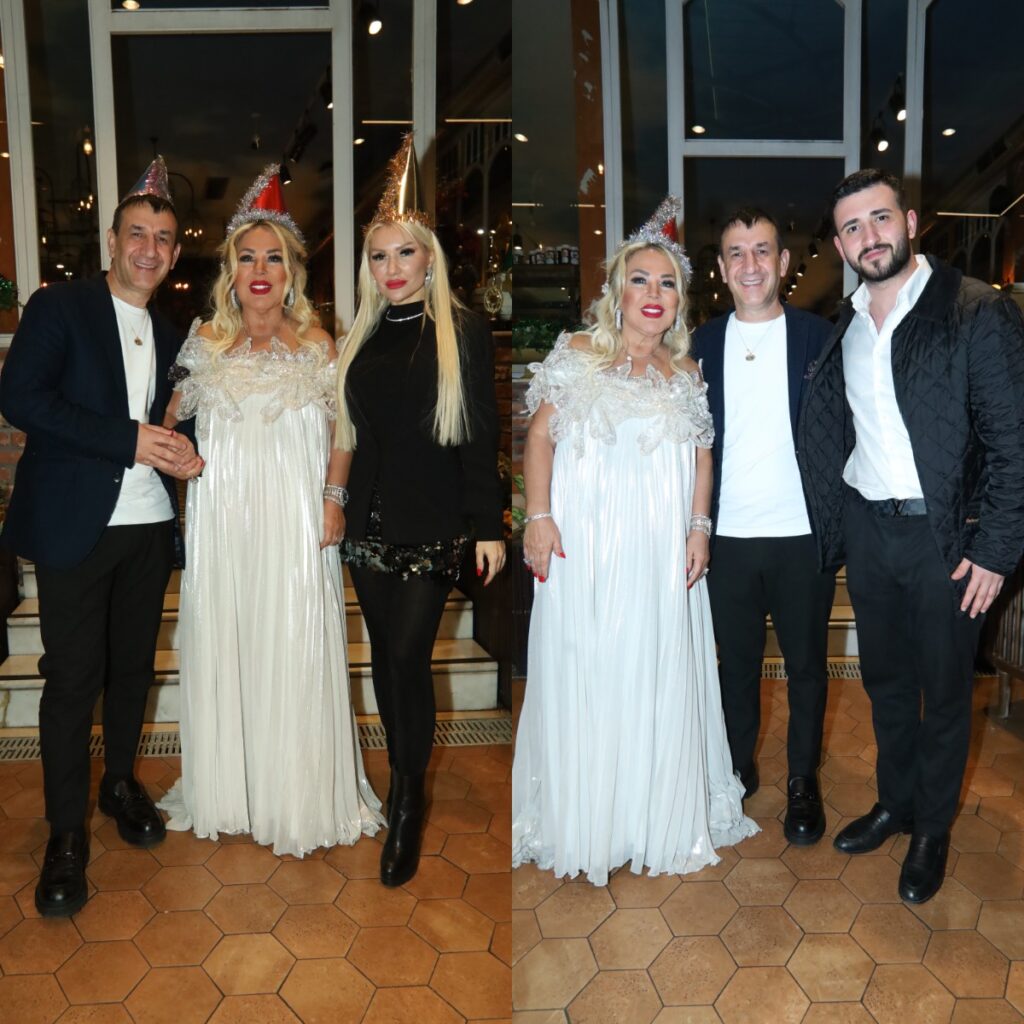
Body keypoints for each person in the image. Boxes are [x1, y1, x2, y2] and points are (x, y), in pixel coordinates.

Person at [512, 198, 758, 886]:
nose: (654, 293)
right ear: (617, 292)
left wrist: (699, 528)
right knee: (589, 665)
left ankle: (652, 815)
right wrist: (538, 516)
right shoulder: (578, 355)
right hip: (585, 547)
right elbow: (539, 437)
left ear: (680, 300)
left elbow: (703, 456)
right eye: (640, 280)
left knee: (656, 666)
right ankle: (590, 816)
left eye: (667, 282)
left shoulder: (687, 373)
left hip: (658, 552)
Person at [799, 168, 1024, 903]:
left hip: (945, 539)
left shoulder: (974, 310)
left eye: (880, 218)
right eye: (853, 227)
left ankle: (931, 827)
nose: (869, 236)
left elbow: (1014, 443)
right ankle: (895, 803)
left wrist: (994, 551)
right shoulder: (847, 324)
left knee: (945, 690)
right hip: (871, 530)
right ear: (840, 246)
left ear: (910, 221)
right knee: (886, 682)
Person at [158, 166, 383, 856]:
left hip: (295, 520)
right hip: (225, 523)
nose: (260, 270)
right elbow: (169, 424)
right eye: (247, 257)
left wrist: (333, 500)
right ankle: (233, 789)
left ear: (292, 273)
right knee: (228, 640)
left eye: (273, 258)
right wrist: (178, 457)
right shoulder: (204, 340)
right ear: (231, 272)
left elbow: (343, 432)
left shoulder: (319, 344)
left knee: (293, 641)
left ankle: (296, 792)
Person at [0, 158, 203, 916]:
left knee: (132, 672)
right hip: (75, 526)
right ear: (111, 241)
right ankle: (65, 835)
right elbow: (21, 398)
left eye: (163, 238)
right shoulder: (60, 307)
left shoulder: (176, 333)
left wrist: (185, 453)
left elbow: (175, 425)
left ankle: (119, 784)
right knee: (71, 681)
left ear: (175, 254)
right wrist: (130, 440)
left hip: (149, 529)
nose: (149, 248)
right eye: (137, 234)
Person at [335, 136, 505, 886]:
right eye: (380, 257)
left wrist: (488, 525)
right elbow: (349, 433)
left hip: (433, 526)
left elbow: (479, 433)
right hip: (368, 528)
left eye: (405, 253)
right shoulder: (362, 334)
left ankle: (409, 801)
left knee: (407, 657)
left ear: (430, 258)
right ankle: (401, 780)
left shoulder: (461, 330)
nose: (392, 268)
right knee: (384, 658)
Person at [692, 209, 835, 846]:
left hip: (802, 536)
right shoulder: (698, 345)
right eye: (736, 253)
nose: (749, 265)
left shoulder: (819, 338)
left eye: (761, 251)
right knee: (736, 668)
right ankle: (736, 769)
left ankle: (803, 780)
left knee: (807, 667)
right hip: (727, 538)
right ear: (723, 270)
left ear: (782, 262)